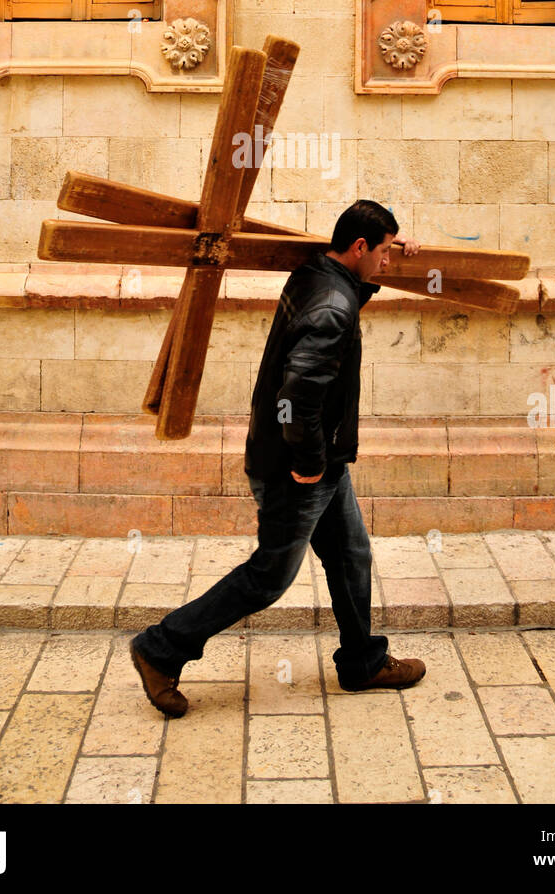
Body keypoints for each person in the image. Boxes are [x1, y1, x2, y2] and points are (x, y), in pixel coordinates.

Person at [130, 198, 427, 717]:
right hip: (299, 466)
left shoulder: (315, 272)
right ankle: (160, 649)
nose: (387, 262)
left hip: (320, 462)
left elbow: (345, 290)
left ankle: (362, 661)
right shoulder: (332, 307)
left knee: (351, 554)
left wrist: (391, 247)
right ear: (359, 247)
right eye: (382, 252)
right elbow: (301, 393)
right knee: (269, 576)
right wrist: (310, 462)